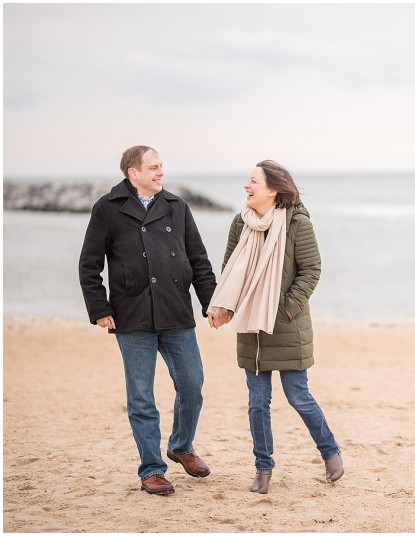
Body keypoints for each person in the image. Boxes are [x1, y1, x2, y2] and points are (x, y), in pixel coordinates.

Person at [78, 145, 218, 495]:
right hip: (131, 315)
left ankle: (181, 446)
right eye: (153, 167)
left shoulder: (177, 206)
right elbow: (89, 265)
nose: (160, 172)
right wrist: (100, 309)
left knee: (192, 385)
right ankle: (152, 469)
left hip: (176, 312)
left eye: (161, 166)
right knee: (141, 397)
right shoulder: (107, 210)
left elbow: (199, 259)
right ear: (133, 173)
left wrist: (212, 303)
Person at [207, 159, 343, 494]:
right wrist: (224, 306)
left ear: (273, 189)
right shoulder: (241, 223)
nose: (246, 186)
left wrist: (282, 310)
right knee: (257, 402)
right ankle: (263, 469)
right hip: (251, 326)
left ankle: (330, 452)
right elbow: (230, 271)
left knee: (298, 395)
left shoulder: (297, 223)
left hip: (286, 325)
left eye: (253, 180)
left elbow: (311, 270)